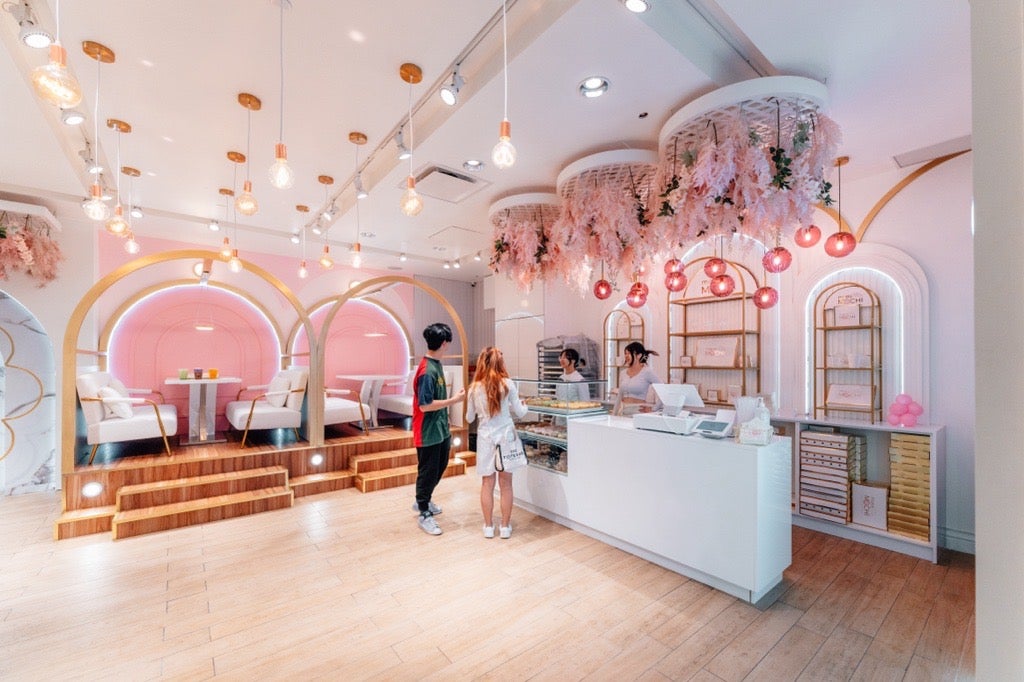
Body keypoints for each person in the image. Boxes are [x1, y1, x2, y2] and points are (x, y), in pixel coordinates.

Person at [466, 346, 528, 539]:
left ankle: (487, 526)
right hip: (506, 438)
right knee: (506, 484)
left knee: (487, 483)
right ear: (500, 362)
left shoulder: (474, 388)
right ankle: (505, 527)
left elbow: (469, 419)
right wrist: (525, 404)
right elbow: (520, 412)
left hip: (485, 438)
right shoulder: (508, 384)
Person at [412, 322, 465, 536]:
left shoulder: (436, 364)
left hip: (441, 428)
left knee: (441, 465)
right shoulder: (427, 370)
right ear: (444, 343)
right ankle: (423, 510)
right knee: (428, 471)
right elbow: (424, 405)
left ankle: (423, 500)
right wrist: (454, 400)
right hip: (427, 430)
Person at [616, 341, 660, 414]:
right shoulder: (623, 373)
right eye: (625, 353)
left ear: (639, 355)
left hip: (638, 412)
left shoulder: (647, 372)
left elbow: (664, 391)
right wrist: (614, 414)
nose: (626, 356)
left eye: (629, 353)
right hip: (623, 411)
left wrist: (654, 409)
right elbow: (619, 396)